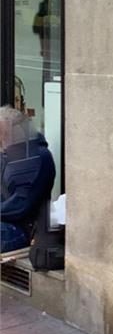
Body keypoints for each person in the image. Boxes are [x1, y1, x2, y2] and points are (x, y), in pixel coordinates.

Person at [0, 106, 55, 253]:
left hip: (22, 228)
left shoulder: (38, 157)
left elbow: (20, 205)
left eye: (4, 133)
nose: (1, 138)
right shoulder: (7, 155)